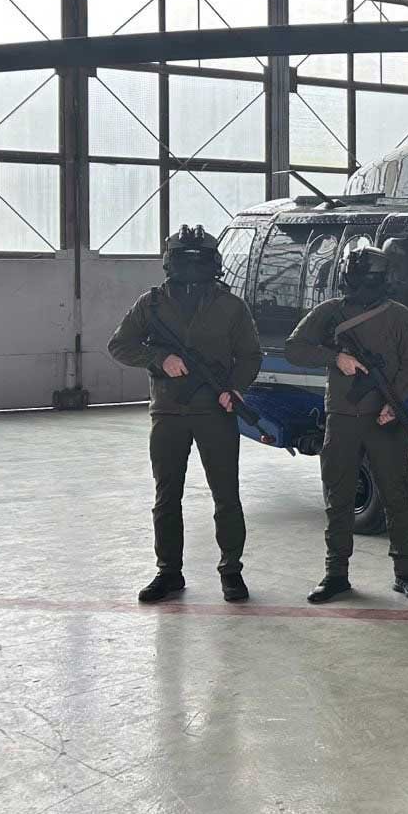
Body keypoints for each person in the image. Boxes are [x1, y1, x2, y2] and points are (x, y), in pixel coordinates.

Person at [108, 225, 263, 604]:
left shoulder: (231, 306)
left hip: (216, 410)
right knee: (167, 496)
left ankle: (231, 570)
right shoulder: (151, 305)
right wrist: (159, 358)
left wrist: (235, 388)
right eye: (184, 259)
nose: (192, 267)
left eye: (199, 259)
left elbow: (250, 355)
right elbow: (120, 345)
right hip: (168, 412)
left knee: (226, 495)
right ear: (170, 262)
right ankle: (168, 572)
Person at [286, 245, 408, 603]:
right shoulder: (330, 312)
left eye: (367, 279)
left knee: (396, 496)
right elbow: (294, 348)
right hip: (342, 419)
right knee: (339, 497)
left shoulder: (399, 317)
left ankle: (405, 573)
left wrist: (394, 402)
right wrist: (335, 357)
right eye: (357, 278)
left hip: (386, 420)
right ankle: (336, 574)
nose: (361, 285)